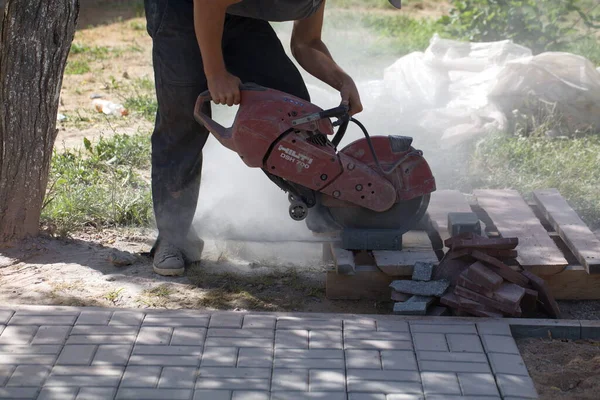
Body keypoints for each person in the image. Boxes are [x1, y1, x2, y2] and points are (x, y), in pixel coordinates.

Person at [144, 0, 402, 276]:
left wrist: (342, 80)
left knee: (293, 110)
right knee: (184, 117)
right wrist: (216, 73)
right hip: (181, 11)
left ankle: (327, 212)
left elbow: (307, 42)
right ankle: (173, 238)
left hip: (236, 13)